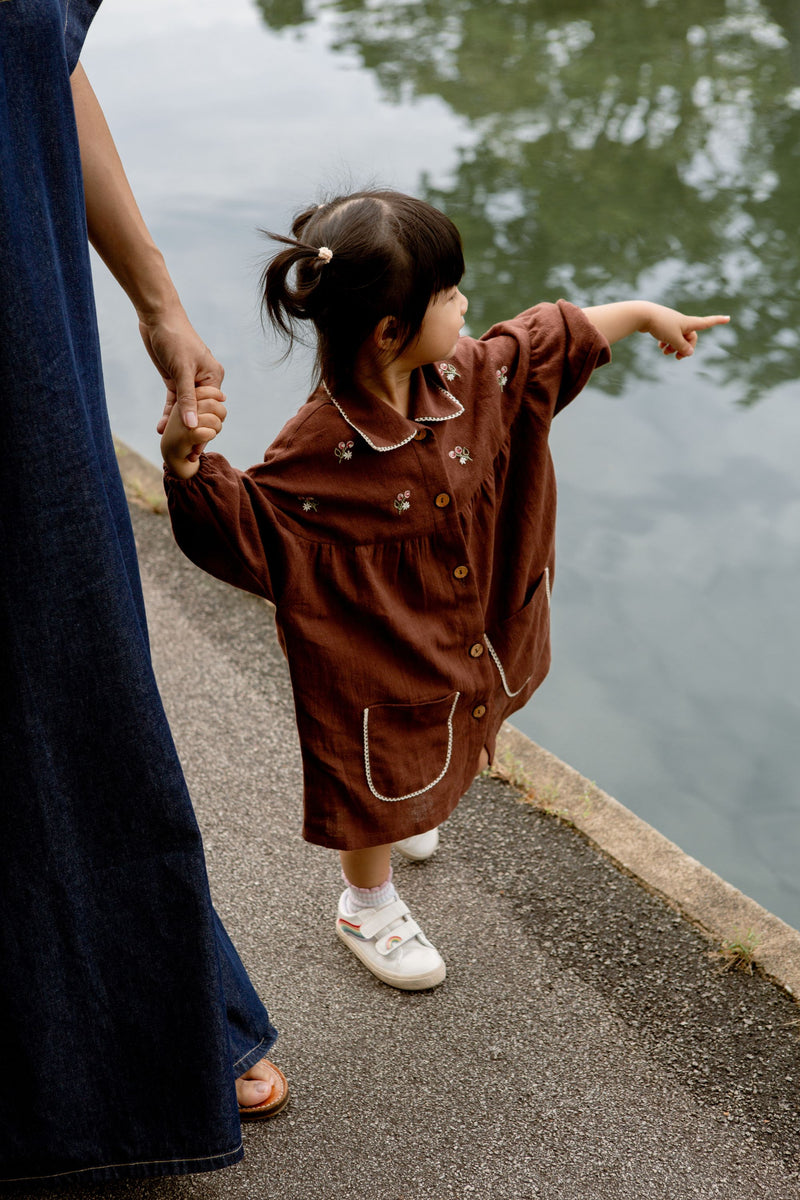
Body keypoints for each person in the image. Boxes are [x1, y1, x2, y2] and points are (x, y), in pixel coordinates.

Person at [160, 189, 729, 992]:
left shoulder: (465, 376)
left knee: (440, 738)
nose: (468, 305)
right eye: (451, 295)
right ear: (391, 329)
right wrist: (188, 465)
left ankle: (410, 813)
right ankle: (367, 902)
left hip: (468, 625)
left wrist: (639, 313)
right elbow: (252, 530)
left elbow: (538, 344)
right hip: (380, 653)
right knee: (374, 771)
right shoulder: (320, 448)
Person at [1, 0, 285, 1185]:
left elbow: (41, 63)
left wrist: (158, 298)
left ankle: (132, 1020)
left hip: (18, 325)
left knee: (65, 649)